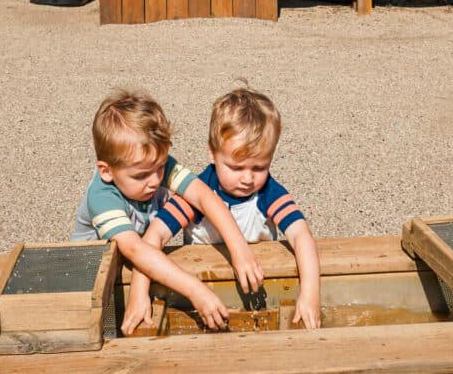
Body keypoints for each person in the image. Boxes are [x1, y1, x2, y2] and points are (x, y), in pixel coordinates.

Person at [71, 88, 263, 336]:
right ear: (106, 171)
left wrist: (239, 250)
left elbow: (204, 196)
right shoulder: (102, 197)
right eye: (141, 175)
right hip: (89, 278)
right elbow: (135, 250)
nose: (154, 181)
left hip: (136, 266)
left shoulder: (150, 162)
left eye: (161, 167)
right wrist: (196, 290)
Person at [140, 87, 321, 330]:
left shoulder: (268, 191)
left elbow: (301, 235)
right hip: (203, 294)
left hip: (260, 290)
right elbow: (155, 236)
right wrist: (139, 293)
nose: (248, 178)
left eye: (259, 167)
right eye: (236, 168)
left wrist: (310, 295)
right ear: (212, 154)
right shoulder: (199, 192)